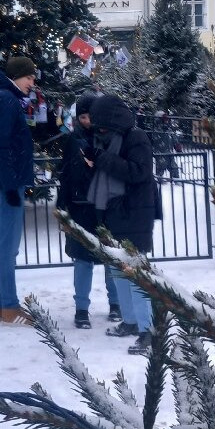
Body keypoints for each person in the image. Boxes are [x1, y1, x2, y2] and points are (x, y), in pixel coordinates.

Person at [85, 94, 157, 355]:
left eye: (101, 126)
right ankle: (130, 321)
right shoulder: (107, 140)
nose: (99, 131)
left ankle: (147, 330)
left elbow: (139, 172)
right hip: (115, 213)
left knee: (136, 275)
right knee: (119, 273)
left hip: (134, 213)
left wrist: (101, 159)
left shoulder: (135, 137)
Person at [0, 55, 37, 325]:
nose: (32, 83)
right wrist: (11, 186)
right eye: (29, 77)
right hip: (5, 184)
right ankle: (10, 308)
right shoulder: (6, 100)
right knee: (7, 248)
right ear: (16, 76)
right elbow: (0, 147)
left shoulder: (0, 97)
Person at [57, 90, 121, 329]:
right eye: (83, 117)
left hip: (105, 207)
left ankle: (115, 304)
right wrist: (62, 207)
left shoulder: (110, 138)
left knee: (111, 259)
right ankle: (81, 308)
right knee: (82, 260)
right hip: (80, 208)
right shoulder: (73, 140)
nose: (88, 122)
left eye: (91, 117)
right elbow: (66, 175)